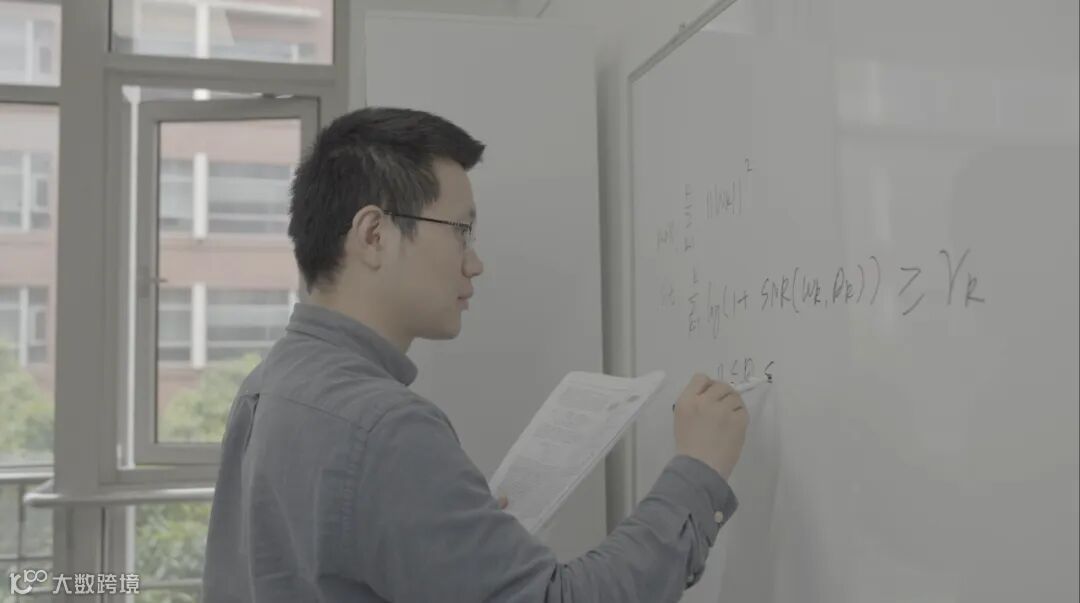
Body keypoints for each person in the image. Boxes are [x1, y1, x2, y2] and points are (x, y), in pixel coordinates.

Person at [202, 107, 750, 602]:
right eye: (461, 231)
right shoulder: (385, 428)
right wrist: (697, 472)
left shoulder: (267, 386)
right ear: (374, 235)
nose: (474, 263)